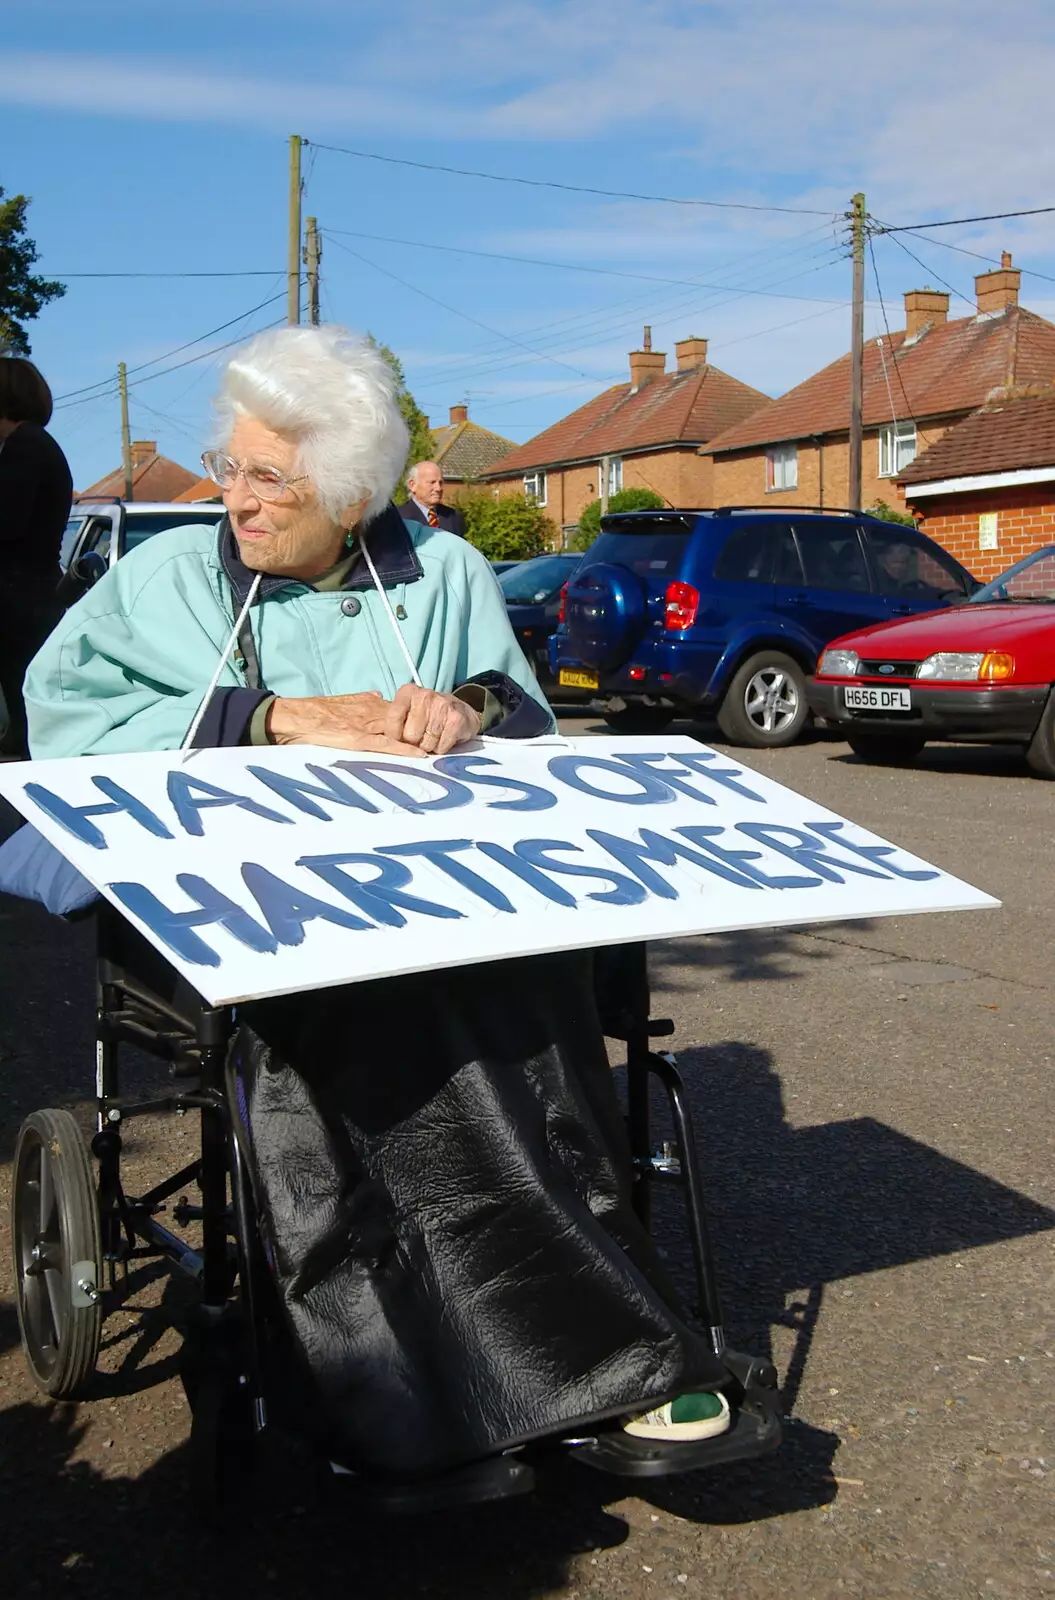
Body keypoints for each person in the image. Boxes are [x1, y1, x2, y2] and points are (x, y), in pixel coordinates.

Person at [19, 326, 731, 1478]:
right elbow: (63, 726)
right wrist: (270, 716)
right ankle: (401, 1385)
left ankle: (584, 1348)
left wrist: (467, 712)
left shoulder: (441, 572)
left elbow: (522, 709)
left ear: (350, 500)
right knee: (333, 1003)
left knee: (534, 981)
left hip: (425, 891)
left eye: (269, 480)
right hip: (250, 903)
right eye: (230, 466)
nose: (233, 500)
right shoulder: (165, 577)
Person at [0, 357, 72, 757]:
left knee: (20, 676)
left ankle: (26, 751)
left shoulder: (24, 446)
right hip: (33, 584)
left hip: (19, 588)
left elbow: (8, 521)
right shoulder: (36, 444)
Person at [399, 458, 466, 536]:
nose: (438, 488)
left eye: (440, 482)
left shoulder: (453, 517)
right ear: (412, 485)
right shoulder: (399, 518)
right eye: (432, 482)